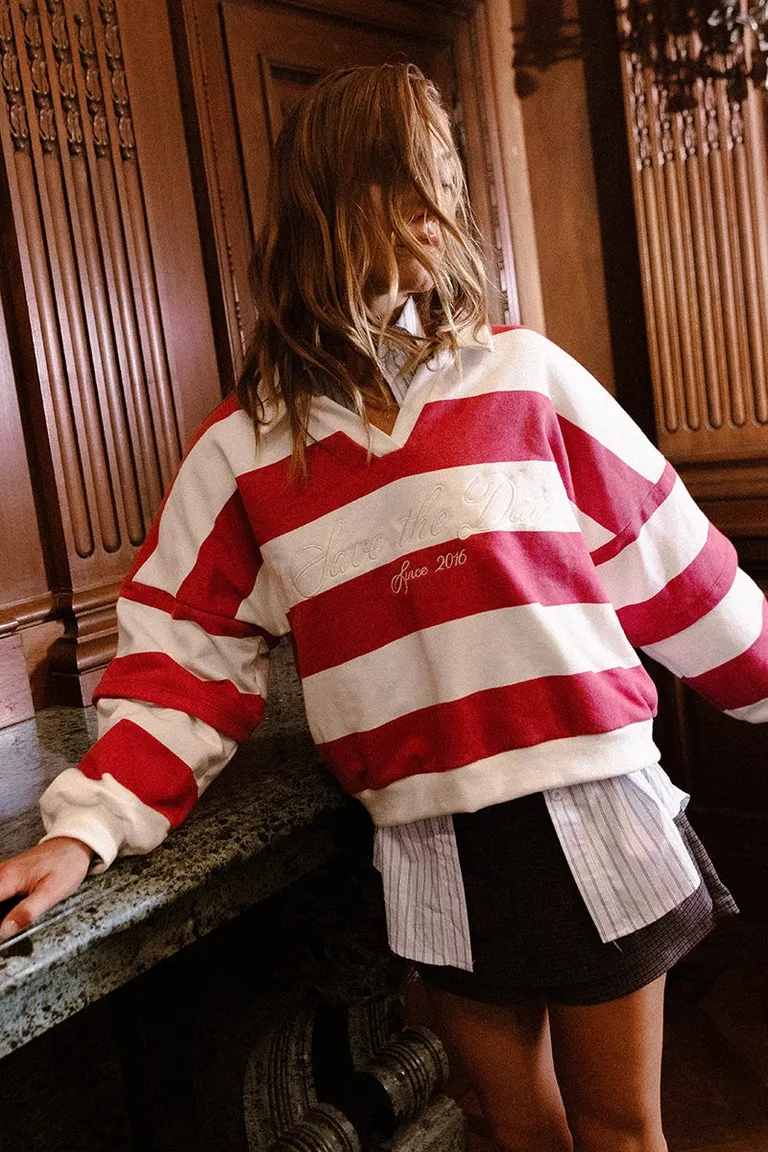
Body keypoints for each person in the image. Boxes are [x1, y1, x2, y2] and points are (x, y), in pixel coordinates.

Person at [0, 62, 765, 1152]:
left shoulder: (522, 376)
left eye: (443, 180)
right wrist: (84, 830)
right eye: (404, 180)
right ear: (328, 199)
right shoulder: (243, 451)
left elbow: (674, 561)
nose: (434, 209)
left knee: (621, 1131)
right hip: (429, 838)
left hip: (590, 801)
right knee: (516, 1131)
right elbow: (185, 660)